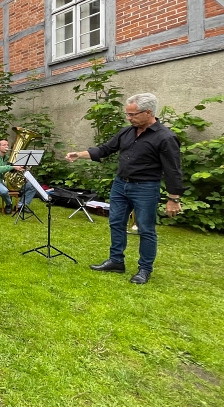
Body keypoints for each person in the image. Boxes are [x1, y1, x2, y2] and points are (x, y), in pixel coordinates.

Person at [65, 93, 183, 284]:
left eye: (132, 114)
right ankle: (116, 261)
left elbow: (173, 170)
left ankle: (144, 269)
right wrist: (79, 154)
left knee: (146, 229)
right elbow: (104, 149)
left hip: (145, 188)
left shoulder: (166, 137)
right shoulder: (127, 132)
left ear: (148, 112)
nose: (129, 118)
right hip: (120, 185)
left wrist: (174, 199)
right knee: (116, 223)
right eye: (127, 114)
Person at [0, 139, 36, 215]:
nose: (6, 146)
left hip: (8, 180)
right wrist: (13, 167)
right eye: (4, 145)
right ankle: (8, 204)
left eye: (7, 145)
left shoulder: (9, 157)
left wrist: (23, 174)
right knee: (4, 191)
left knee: (32, 186)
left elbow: (15, 170)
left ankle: (20, 206)